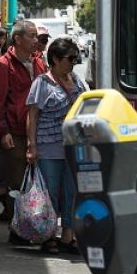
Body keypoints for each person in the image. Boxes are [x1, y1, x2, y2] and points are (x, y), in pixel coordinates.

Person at [0, 20, 48, 243]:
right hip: (15, 132)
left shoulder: (39, 63)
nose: (36, 41)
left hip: (39, 131)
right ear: (18, 39)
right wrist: (3, 132)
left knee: (36, 182)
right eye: (31, 36)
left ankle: (33, 225)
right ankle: (17, 230)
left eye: (37, 37)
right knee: (17, 183)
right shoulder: (4, 65)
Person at [26, 38, 87, 254]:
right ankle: (48, 234)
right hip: (48, 146)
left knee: (73, 192)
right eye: (70, 58)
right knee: (50, 191)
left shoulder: (78, 81)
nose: (73, 62)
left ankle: (68, 234)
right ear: (55, 59)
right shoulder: (42, 83)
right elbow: (32, 116)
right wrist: (31, 145)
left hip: (74, 147)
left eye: (75, 58)